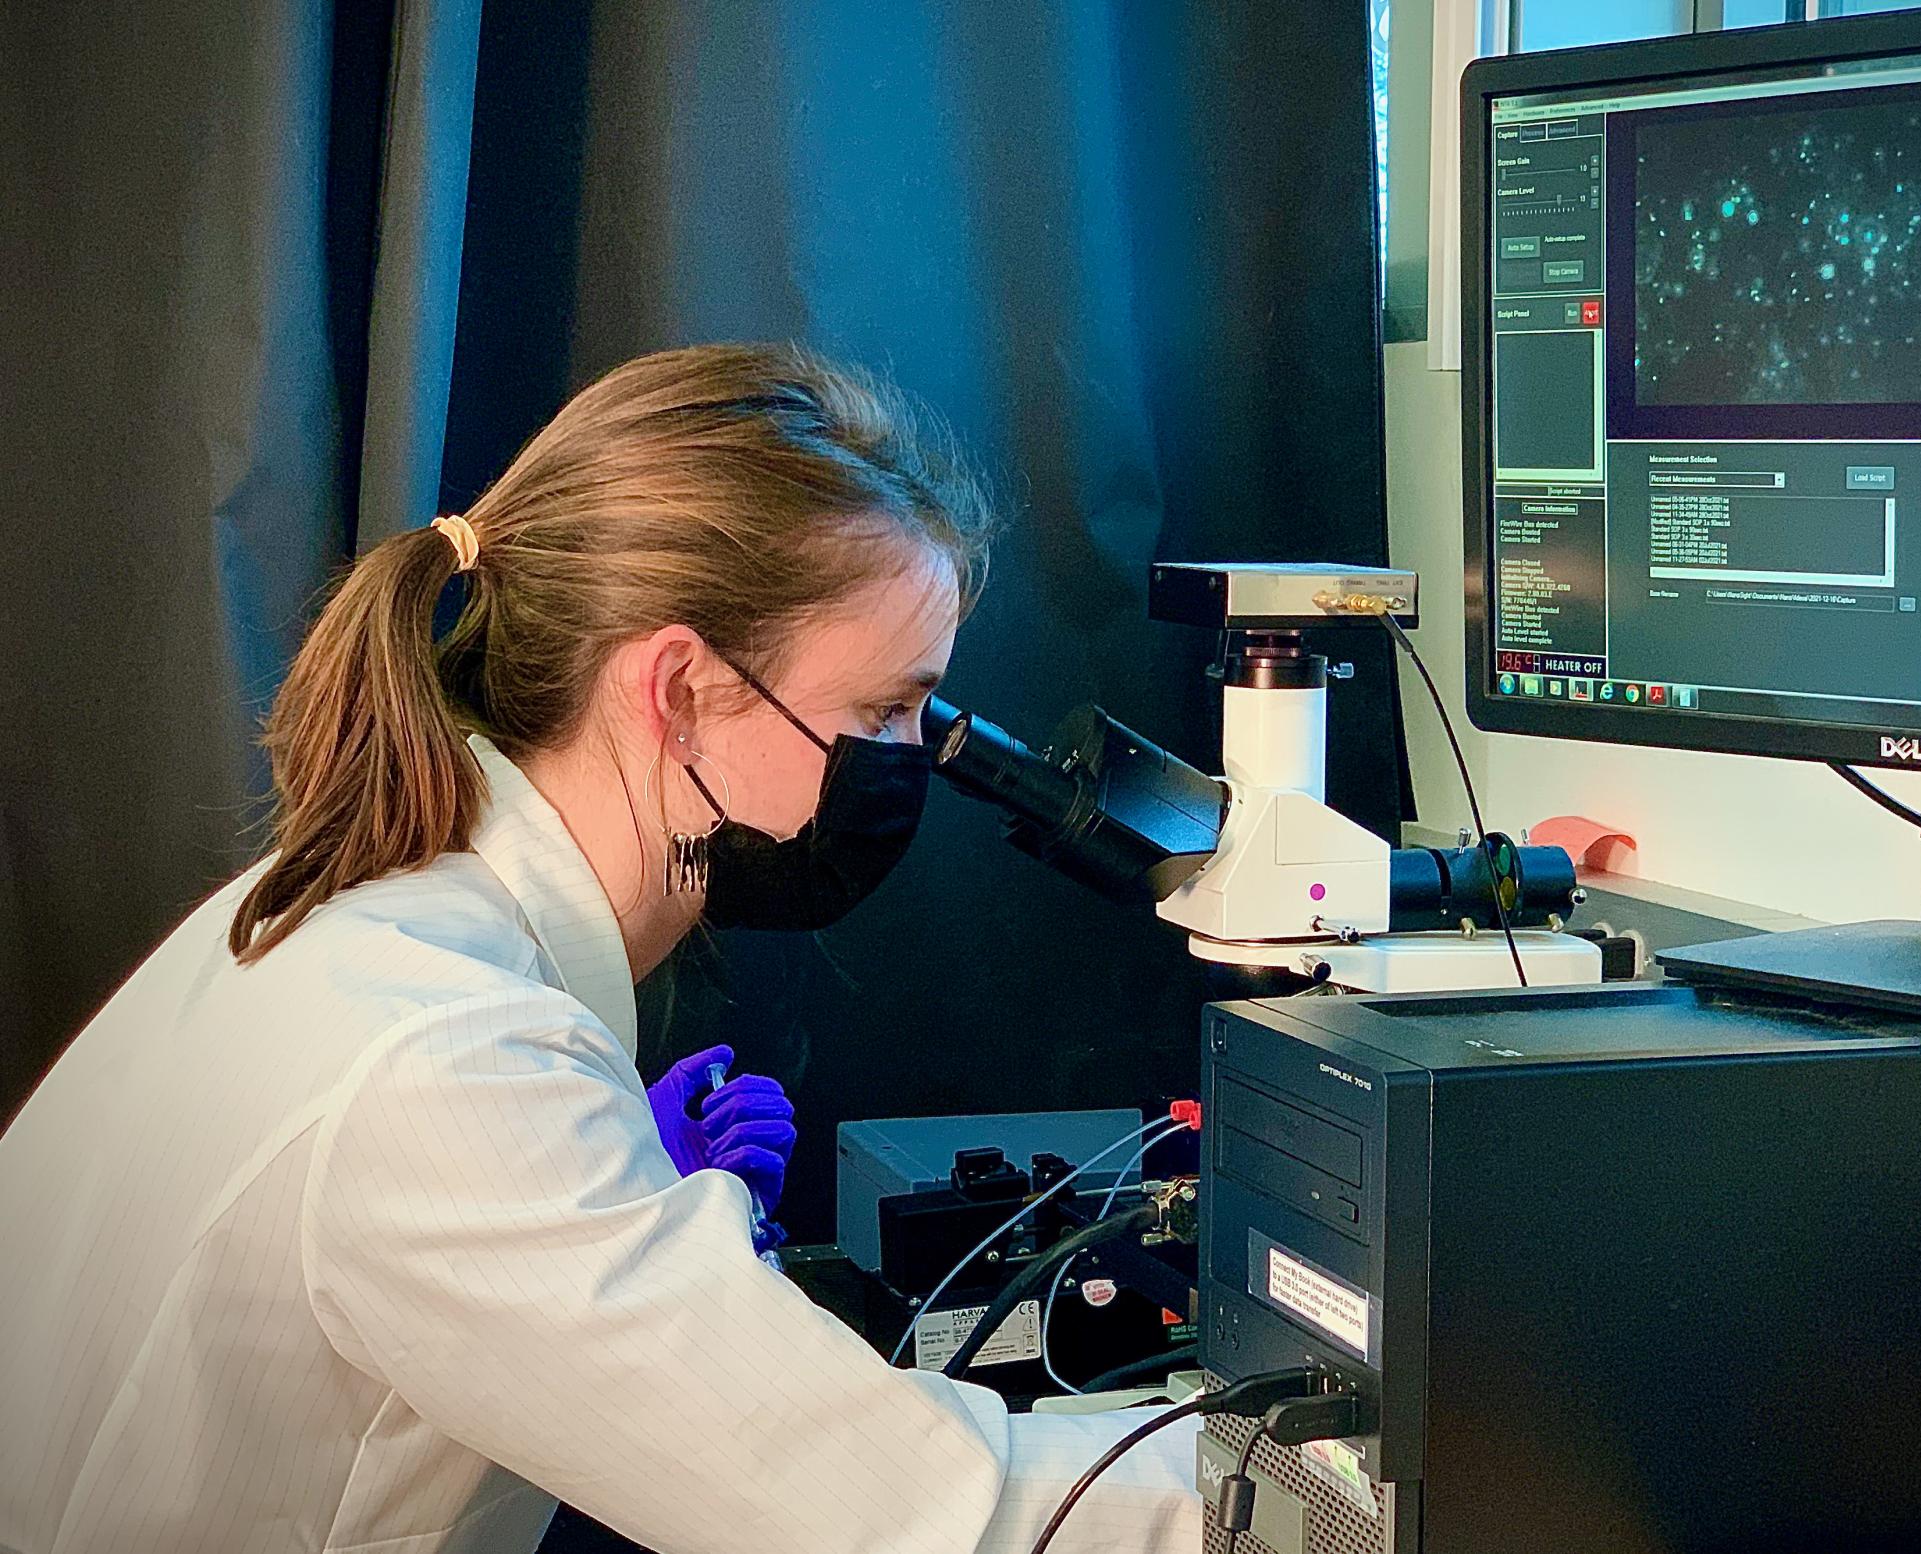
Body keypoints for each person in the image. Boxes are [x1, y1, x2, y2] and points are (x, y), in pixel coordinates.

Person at [0, 345, 1199, 1554]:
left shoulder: (354, 918)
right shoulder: (451, 1060)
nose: (904, 761)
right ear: (677, 688)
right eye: (884, 711)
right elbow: (924, 1523)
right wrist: (1335, 1486)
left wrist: (617, 1206)